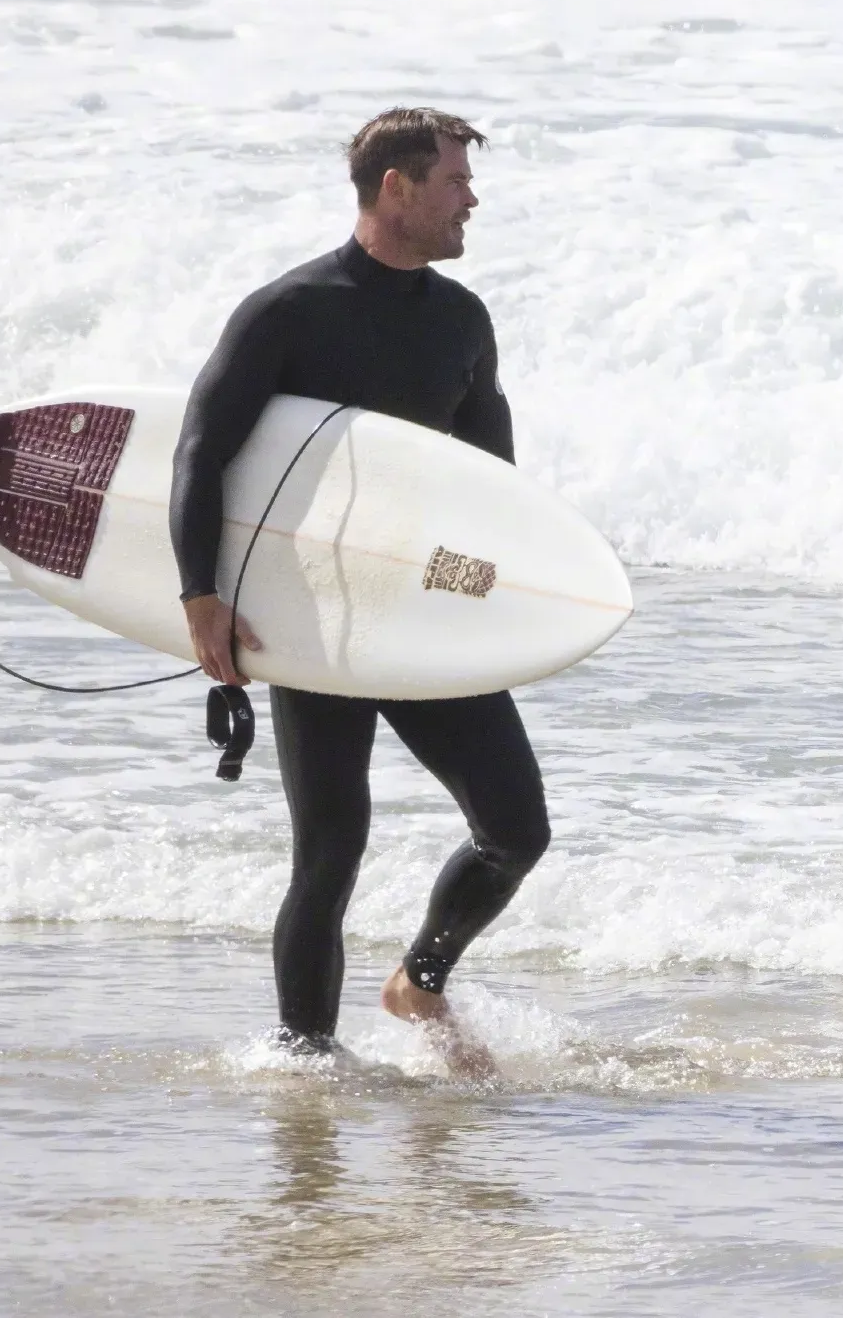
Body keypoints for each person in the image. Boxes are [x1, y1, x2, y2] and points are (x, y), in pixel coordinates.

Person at [170, 107, 545, 1074]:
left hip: (418, 615)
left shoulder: (462, 320)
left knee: (515, 830)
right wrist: (199, 594)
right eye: (456, 181)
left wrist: (501, 599)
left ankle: (419, 980)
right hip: (318, 619)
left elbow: (490, 482)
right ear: (398, 189)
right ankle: (307, 1062)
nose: (472, 199)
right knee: (332, 850)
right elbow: (202, 452)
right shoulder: (289, 312)